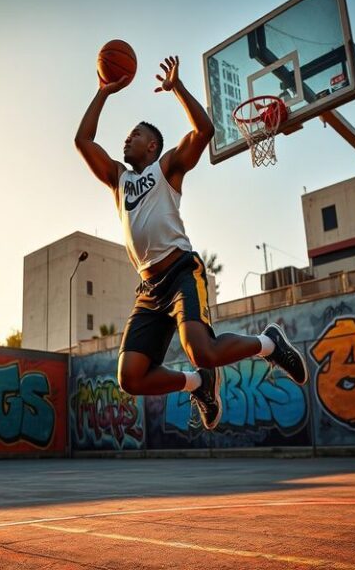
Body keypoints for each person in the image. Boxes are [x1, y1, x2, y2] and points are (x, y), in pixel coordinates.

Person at [74, 55, 307, 430]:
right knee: (130, 378)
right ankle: (198, 384)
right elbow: (82, 139)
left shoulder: (166, 168)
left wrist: (177, 88)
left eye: (135, 134)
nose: (127, 138)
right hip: (149, 290)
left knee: (202, 350)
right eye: (127, 134)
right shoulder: (118, 179)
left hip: (181, 271)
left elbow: (204, 131)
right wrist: (103, 92)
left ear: (152, 146)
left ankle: (269, 343)